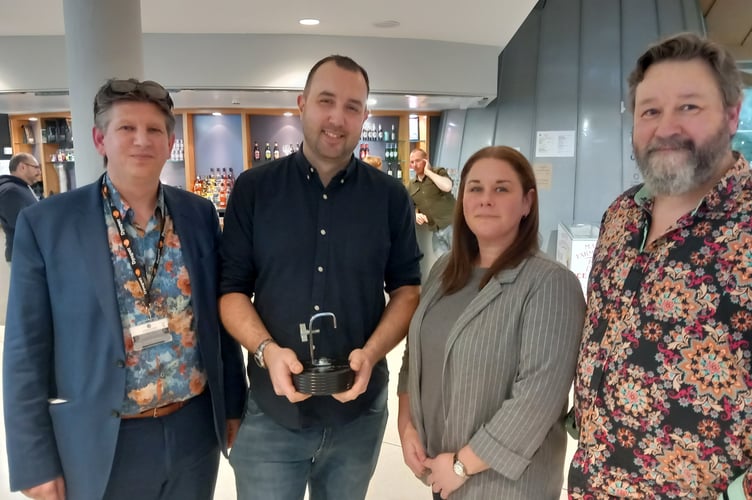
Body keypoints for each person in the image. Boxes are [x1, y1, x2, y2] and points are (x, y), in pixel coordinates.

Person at [3, 78, 247, 500]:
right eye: (126, 129)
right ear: (100, 138)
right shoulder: (49, 224)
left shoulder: (198, 214)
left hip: (192, 428)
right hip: (104, 439)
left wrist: (233, 405)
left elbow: (217, 321)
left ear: (170, 142)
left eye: (154, 130)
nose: (141, 140)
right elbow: (24, 348)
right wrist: (33, 460)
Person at [219, 54, 421, 500]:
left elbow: (407, 289)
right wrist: (267, 350)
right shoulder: (254, 190)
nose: (337, 117)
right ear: (302, 104)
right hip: (272, 415)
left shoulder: (390, 197)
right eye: (326, 101)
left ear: (365, 116)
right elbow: (231, 291)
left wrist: (372, 352)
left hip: (358, 415)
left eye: (352, 106)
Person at [568, 33, 752, 498]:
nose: (665, 127)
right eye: (650, 111)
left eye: (689, 107)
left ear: (732, 114)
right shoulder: (621, 215)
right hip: (593, 484)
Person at [397, 145, 585, 499]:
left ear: (527, 202)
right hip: (443, 476)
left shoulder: (550, 284)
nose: (486, 199)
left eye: (501, 189)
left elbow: (537, 399)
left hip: (504, 486)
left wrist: (461, 465)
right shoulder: (444, 271)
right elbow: (414, 355)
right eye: (475, 188)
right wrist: (406, 423)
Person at [408, 148, 455, 278]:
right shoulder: (411, 185)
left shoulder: (438, 172)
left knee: (462, 260)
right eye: (412, 162)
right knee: (444, 266)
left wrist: (428, 172)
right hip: (435, 230)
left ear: (425, 160)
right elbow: (406, 208)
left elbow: (447, 186)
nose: (414, 165)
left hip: (452, 224)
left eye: (418, 161)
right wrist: (415, 215)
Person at [0, 152, 41, 261]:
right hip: (23, 257)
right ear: (22, 167)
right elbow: (22, 226)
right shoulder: (10, 191)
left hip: (29, 254)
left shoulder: (21, 187)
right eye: (36, 167)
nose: (39, 172)